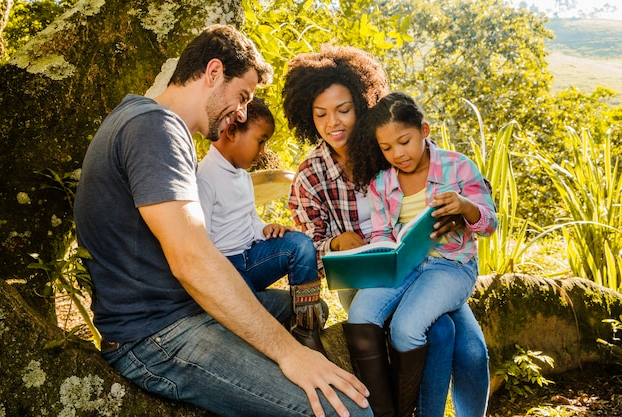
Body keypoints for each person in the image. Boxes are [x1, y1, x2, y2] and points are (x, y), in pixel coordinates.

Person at [73, 25, 372, 417]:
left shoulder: (143, 118)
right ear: (213, 73)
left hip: (180, 312)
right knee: (348, 410)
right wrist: (291, 355)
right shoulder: (155, 128)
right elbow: (192, 259)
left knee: (301, 309)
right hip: (156, 336)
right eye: (242, 96)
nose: (243, 112)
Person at [282, 44, 491, 417]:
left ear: (362, 104)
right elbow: (306, 246)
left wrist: (461, 211)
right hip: (369, 276)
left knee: (472, 351)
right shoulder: (310, 175)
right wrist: (333, 242)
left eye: (344, 110)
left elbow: (440, 173)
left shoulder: (389, 147)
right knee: (437, 332)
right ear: (307, 116)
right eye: (321, 114)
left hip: (432, 264)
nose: (334, 122)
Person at [346, 91, 499, 416]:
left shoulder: (457, 167)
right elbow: (382, 234)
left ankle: (411, 410)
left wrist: (466, 206)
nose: (397, 154)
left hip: (450, 267)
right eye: (386, 148)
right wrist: (377, 255)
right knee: (360, 313)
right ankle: (387, 411)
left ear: (424, 131)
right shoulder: (382, 183)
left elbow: (489, 223)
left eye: (404, 142)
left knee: (407, 328)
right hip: (405, 265)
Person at [196, 96, 327, 354]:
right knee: (250, 312)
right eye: (261, 141)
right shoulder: (204, 177)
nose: (263, 151)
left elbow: (249, 219)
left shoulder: (242, 177)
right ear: (232, 131)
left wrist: (264, 228)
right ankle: (250, 321)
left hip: (252, 259)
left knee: (300, 245)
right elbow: (201, 241)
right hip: (227, 272)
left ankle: (305, 330)